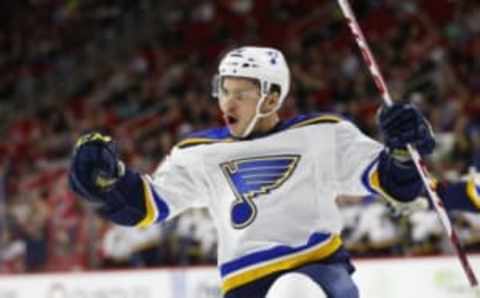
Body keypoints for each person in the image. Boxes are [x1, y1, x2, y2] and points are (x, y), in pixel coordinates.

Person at [68, 46, 435, 298]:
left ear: (272, 99)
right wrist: (105, 182)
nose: (227, 102)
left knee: (294, 290)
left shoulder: (322, 134)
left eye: (240, 94)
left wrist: (404, 151)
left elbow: (397, 185)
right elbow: (143, 207)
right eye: (223, 91)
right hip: (245, 284)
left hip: (318, 274)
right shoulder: (198, 154)